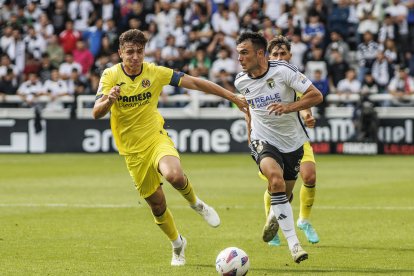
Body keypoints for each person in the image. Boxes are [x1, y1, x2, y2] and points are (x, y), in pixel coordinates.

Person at [92, 29, 248, 267]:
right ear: (120, 53)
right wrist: (109, 100)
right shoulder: (110, 75)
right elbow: (96, 112)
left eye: (139, 52)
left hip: (155, 138)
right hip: (132, 152)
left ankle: (196, 203)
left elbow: (195, 82)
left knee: (174, 175)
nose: (135, 57)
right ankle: (178, 244)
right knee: (157, 204)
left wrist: (232, 97)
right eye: (130, 52)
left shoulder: (154, 72)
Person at [234, 32, 323, 264]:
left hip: (293, 142)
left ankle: (276, 212)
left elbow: (316, 95)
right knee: (275, 180)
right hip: (263, 139)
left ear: (259, 53)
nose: (240, 58)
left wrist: (289, 106)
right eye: (238, 54)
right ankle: (294, 244)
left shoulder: (284, 71)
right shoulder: (240, 81)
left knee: (286, 192)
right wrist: (249, 133)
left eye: (244, 53)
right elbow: (249, 109)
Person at [260, 35, 321, 247]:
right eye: (275, 54)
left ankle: (304, 220)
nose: (279, 57)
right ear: (268, 56)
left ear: (290, 55)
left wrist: (307, 116)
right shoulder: (263, 77)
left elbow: (305, 100)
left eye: (283, 53)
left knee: (310, 176)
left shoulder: (292, 75)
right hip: (271, 140)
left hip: (296, 138)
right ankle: (272, 223)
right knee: (277, 186)